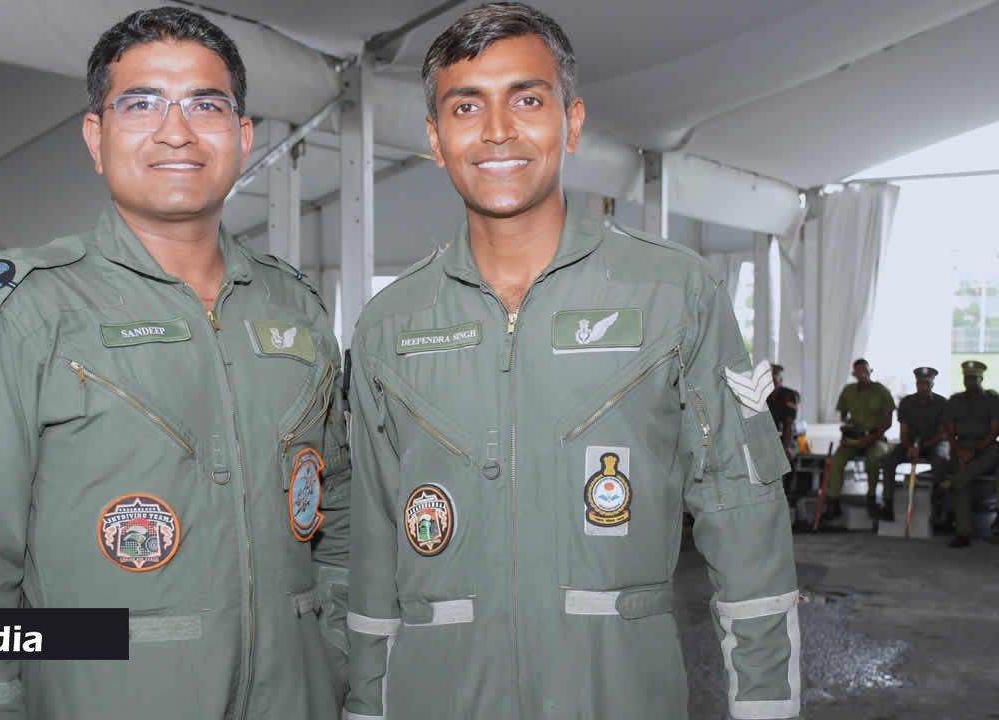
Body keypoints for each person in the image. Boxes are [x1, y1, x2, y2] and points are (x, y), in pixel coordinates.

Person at [344, 5, 799, 719]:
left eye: (527, 99)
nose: (497, 131)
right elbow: (370, 547)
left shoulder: (673, 294)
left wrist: (767, 706)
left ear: (572, 121)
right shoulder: (388, 326)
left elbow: (742, 516)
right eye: (468, 106)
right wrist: (365, 706)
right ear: (435, 139)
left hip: (617, 695)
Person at [0, 9, 349, 720]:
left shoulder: (294, 308)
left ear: (242, 139)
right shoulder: (30, 310)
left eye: (206, 105)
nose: (175, 130)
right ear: (97, 136)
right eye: (141, 103)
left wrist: (339, 673)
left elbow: (340, 525)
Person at [822, 358, 894, 518]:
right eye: (858, 371)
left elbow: (888, 421)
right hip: (853, 438)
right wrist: (846, 424)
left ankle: (871, 497)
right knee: (836, 461)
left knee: (874, 460)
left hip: (876, 438)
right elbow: (842, 413)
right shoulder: (848, 391)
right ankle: (833, 502)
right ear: (853, 373)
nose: (862, 374)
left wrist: (873, 437)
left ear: (871, 371)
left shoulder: (881, 391)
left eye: (865, 370)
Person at [877, 366, 949, 523]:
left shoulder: (942, 403)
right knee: (888, 460)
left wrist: (921, 448)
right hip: (910, 442)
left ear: (932, 385)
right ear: (916, 384)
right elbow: (903, 431)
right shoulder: (907, 402)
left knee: (941, 461)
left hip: (934, 443)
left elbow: (943, 433)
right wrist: (910, 447)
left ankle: (938, 507)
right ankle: (888, 504)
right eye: (920, 384)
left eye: (927, 384)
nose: (923, 387)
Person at [942, 360, 999, 548]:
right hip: (961, 446)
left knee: (966, 474)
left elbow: (994, 431)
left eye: (974, 378)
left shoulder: (992, 399)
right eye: (967, 377)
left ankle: (953, 482)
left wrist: (974, 451)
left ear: (981, 378)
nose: (970, 381)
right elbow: (949, 431)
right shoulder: (955, 400)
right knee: (963, 484)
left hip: (986, 447)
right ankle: (963, 533)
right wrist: (959, 450)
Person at [766, 363, 801, 497]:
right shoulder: (763, 396)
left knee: (787, 460)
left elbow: (789, 425)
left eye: (773, 378)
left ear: (780, 379)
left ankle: (788, 497)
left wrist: (785, 448)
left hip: (787, 438)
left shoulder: (789, 395)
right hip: (769, 438)